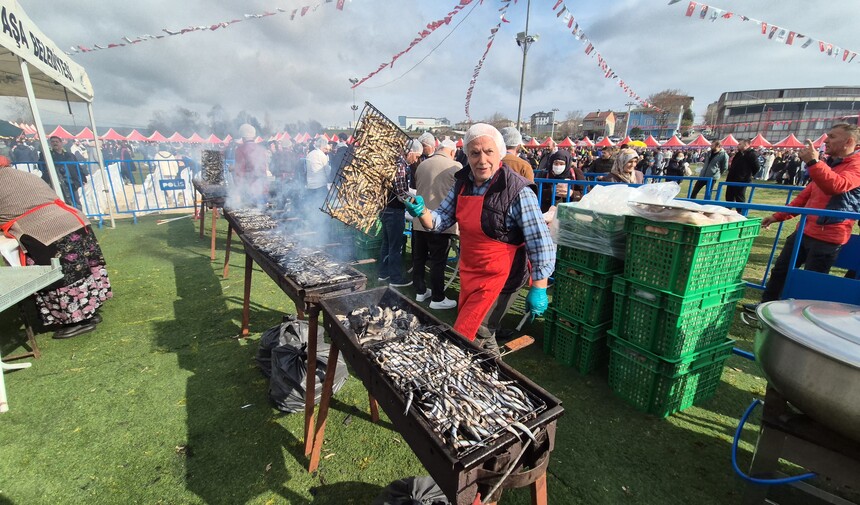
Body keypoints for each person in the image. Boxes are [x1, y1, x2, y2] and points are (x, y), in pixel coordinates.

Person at [405, 124, 555, 355]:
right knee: (482, 332)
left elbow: (539, 240)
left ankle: (472, 373)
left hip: (502, 277)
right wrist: (423, 212)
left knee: (474, 332)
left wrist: (539, 287)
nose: (482, 160)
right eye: (475, 153)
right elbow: (441, 219)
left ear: (500, 153)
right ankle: (492, 373)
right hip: (471, 271)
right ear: (467, 154)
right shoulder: (462, 183)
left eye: (488, 152)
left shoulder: (517, 190)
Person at [744, 124, 860, 312]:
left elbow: (837, 186)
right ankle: (765, 308)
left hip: (828, 238)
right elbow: (805, 196)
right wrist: (777, 216)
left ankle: (799, 319)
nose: (825, 140)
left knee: (810, 282)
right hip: (804, 231)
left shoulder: (856, 165)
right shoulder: (830, 164)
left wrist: (814, 163)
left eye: (832, 136)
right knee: (781, 271)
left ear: (849, 141)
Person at [0, 156, 112, 339]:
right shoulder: (21, 174)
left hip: (45, 231)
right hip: (73, 220)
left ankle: (79, 321)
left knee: (60, 276)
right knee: (82, 270)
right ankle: (91, 312)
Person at [411, 139, 461, 309]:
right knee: (438, 262)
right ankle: (438, 298)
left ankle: (420, 291)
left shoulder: (423, 165)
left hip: (420, 220)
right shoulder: (456, 167)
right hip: (442, 223)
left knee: (419, 258)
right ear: (452, 152)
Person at [377, 141, 418, 288]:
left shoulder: (391, 161)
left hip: (384, 208)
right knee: (395, 245)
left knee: (387, 242)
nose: (416, 160)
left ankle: (383, 273)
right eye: (416, 156)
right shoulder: (401, 165)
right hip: (394, 210)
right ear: (411, 152)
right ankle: (395, 278)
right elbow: (401, 193)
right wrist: (413, 201)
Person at [39, 136, 86, 209]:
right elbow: (41, 166)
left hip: (72, 182)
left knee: (76, 202)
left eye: (56, 142)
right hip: (56, 182)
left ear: (61, 143)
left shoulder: (70, 155)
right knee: (61, 202)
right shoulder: (47, 155)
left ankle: (79, 217)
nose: (55, 143)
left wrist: (83, 178)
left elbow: (77, 167)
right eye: (52, 142)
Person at [725, 139, 759, 211]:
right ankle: (727, 211)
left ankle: (741, 213)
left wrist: (748, 175)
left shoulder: (751, 154)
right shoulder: (739, 154)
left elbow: (756, 167)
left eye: (740, 144)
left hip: (742, 180)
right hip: (732, 178)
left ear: (746, 145)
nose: (738, 145)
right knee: (729, 196)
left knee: (739, 197)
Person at [304, 136, 331, 205]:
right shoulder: (322, 156)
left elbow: (306, 170)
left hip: (310, 186)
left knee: (312, 206)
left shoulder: (309, 154)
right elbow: (327, 171)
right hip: (320, 186)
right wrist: (330, 181)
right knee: (323, 205)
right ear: (323, 146)